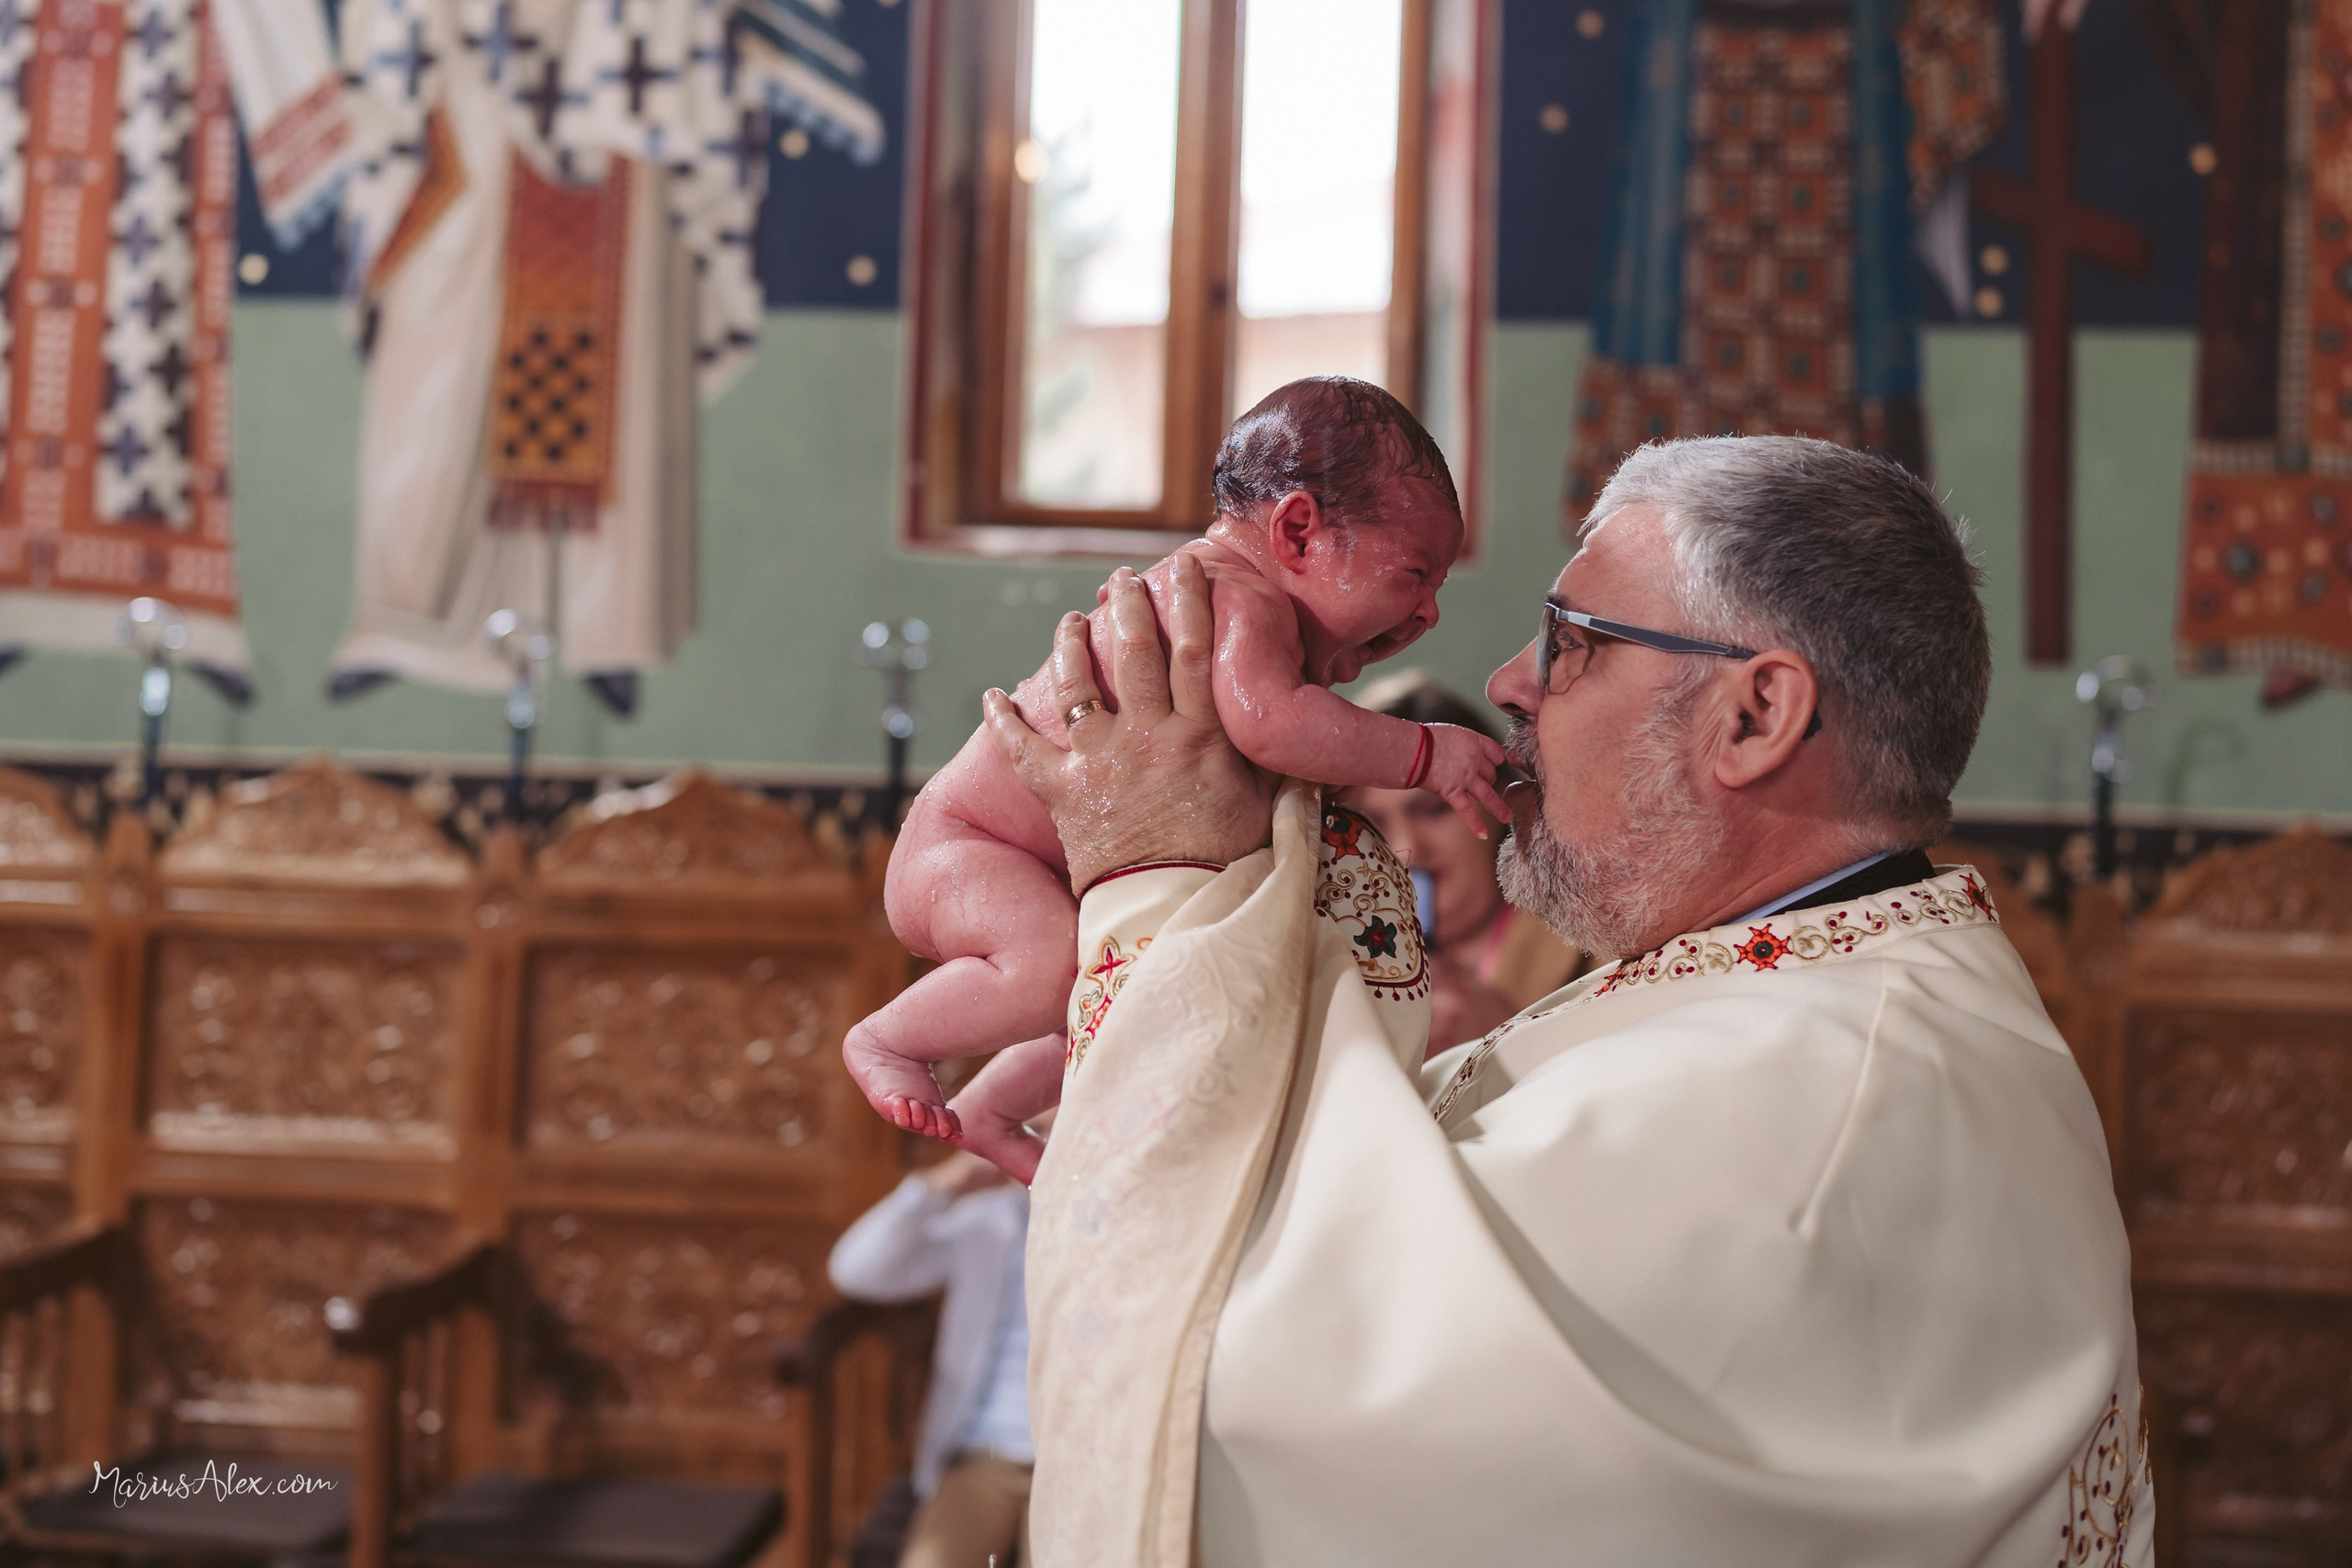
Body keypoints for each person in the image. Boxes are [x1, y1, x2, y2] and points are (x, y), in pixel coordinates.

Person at [984, 435, 2152, 1567]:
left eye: (1572, 642)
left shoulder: (1816, 1090)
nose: (1507, 683)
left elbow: (1258, 1385)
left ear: (1752, 717)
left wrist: (1158, 875)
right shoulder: (1797, 984)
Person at [842, 378, 1507, 1182]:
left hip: (1029, 854)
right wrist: (1426, 753)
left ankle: (990, 1106)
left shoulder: (1246, 603)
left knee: (1115, 985)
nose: (1428, 613)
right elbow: (1272, 720)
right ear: (1298, 531)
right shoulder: (1233, 593)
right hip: (967, 845)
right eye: (1414, 574)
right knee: (1059, 965)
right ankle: (885, 1039)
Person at [1346, 672, 1590, 1054]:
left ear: (1502, 802)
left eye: (1433, 810)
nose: (1406, 849)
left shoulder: (1599, 947)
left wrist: (1505, 1041)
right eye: (1371, 824)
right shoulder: (1331, 973)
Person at [828, 1148, 1035, 1568]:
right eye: (1031, 1129)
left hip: (1088, 1453)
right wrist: (939, 1185)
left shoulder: (1128, 1220)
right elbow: (857, 1272)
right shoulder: (989, 1221)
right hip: (987, 1454)